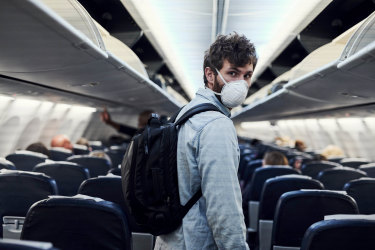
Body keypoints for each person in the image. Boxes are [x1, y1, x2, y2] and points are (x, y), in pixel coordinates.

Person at [155, 33, 256, 250]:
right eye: (232, 73)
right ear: (210, 74)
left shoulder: (184, 114)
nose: (241, 84)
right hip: (194, 241)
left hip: (169, 240)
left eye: (247, 75)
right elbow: (224, 207)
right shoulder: (217, 125)